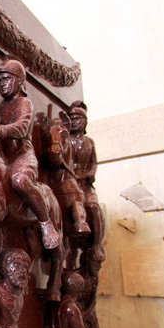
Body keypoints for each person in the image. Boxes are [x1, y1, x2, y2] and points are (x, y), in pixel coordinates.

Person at [0, 59, 60, 250]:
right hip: (2, 158)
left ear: (19, 81)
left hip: (22, 156)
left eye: (6, 79)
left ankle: (46, 223)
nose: (2, 84)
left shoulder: (24, 103)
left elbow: (23, 126)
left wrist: (1, 131)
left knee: (20, 180)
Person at [67, 100, 105, 262]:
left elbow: (93, 163)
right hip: (70, 182)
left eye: (78, 119)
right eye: (72, 119)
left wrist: (88, 174)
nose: (75, 122)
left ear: (85, 122)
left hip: (85, 184)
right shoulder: (66, 141)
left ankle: (96, 245)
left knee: (93, 207)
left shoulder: (89, 142)